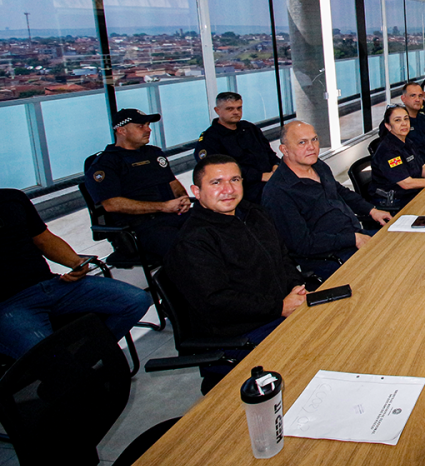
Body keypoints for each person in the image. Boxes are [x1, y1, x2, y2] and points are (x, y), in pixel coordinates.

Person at [166, 154, 305, 343]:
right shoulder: (193, 241)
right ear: (196, 192)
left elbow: (283, 259)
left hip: (280, 311)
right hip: (239, 335)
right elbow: (216, 302)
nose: (228, 189)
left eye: (235, 180)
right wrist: (279, 307)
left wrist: (296, 288)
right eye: (216, 183)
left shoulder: (254, 214)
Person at [0, 188, 147, 359]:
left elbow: (44, 239)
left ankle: (80, 363)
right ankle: (67, 370)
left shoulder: (12, 198)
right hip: (9, 303)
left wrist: (75, 262)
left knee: (135, 301)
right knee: (46, 354)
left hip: (51, 285)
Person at [261, 121, 392, 280]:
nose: (311, 147)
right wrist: (353, 238)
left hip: (354, 235)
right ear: (284, 149)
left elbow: (339, 190)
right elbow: (302, 244)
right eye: (302, 142)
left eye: (314, 140)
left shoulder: (319, 166)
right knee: (387, 274)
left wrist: (371, 210)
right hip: (328, 257)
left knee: (401, 243)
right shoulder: (278, 192)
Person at [84, 108, 191, 260]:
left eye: (148, 125)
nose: (148, 130)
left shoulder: (154, 153)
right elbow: (112, 204)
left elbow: (172, 182)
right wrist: (163, 206)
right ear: (122, 130)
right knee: (189, 249)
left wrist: (183, 198)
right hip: (142, 227)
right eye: (140, 126)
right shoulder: (106, 164)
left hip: (174, 216)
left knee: (224, 228)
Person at [193, 92, 280, 204]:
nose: (236, 112)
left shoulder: (250, 128)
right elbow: (217, 170)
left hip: (271, 180)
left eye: (239, 108)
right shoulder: (210, 139)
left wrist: (276, 166)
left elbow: (269, 153)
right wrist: (260, 176)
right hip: (242, 190)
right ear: (217, 110)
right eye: (230, 109)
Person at [371, 106, 425, 214]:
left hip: (410, 194)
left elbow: (422, 168)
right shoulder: (388, 151)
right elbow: (406, 183)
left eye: (406, 119)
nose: (404, 123)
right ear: (388, 126)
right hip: (395, 202)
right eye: (397, 120)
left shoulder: (407, 142)